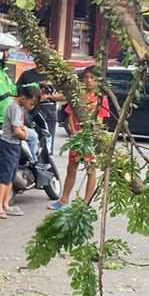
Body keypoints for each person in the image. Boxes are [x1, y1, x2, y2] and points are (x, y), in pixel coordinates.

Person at [53, 67, 110, 210]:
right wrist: (74, 133)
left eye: (92, 78)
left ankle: (86, 203)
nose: (89, 81)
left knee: (91, 170)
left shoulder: (101, 99)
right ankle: (64, 199)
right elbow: (71, 115)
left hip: (90, 139)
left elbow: (100, 120)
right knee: (71, 168)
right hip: (77, 139)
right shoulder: (78, 95)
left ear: (98, 81)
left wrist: (90, 136)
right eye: (86, 77)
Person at [0, 83, 38, 220]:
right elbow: (18, 131)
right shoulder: (15, 109)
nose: (32, 106)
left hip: (15, 145)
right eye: (32, 102)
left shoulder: (19, 108)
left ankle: (6, 204)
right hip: (9, 144)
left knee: (11, 175)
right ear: (24, 98)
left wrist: (23, 130)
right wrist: (25, 134)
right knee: (5, 176)